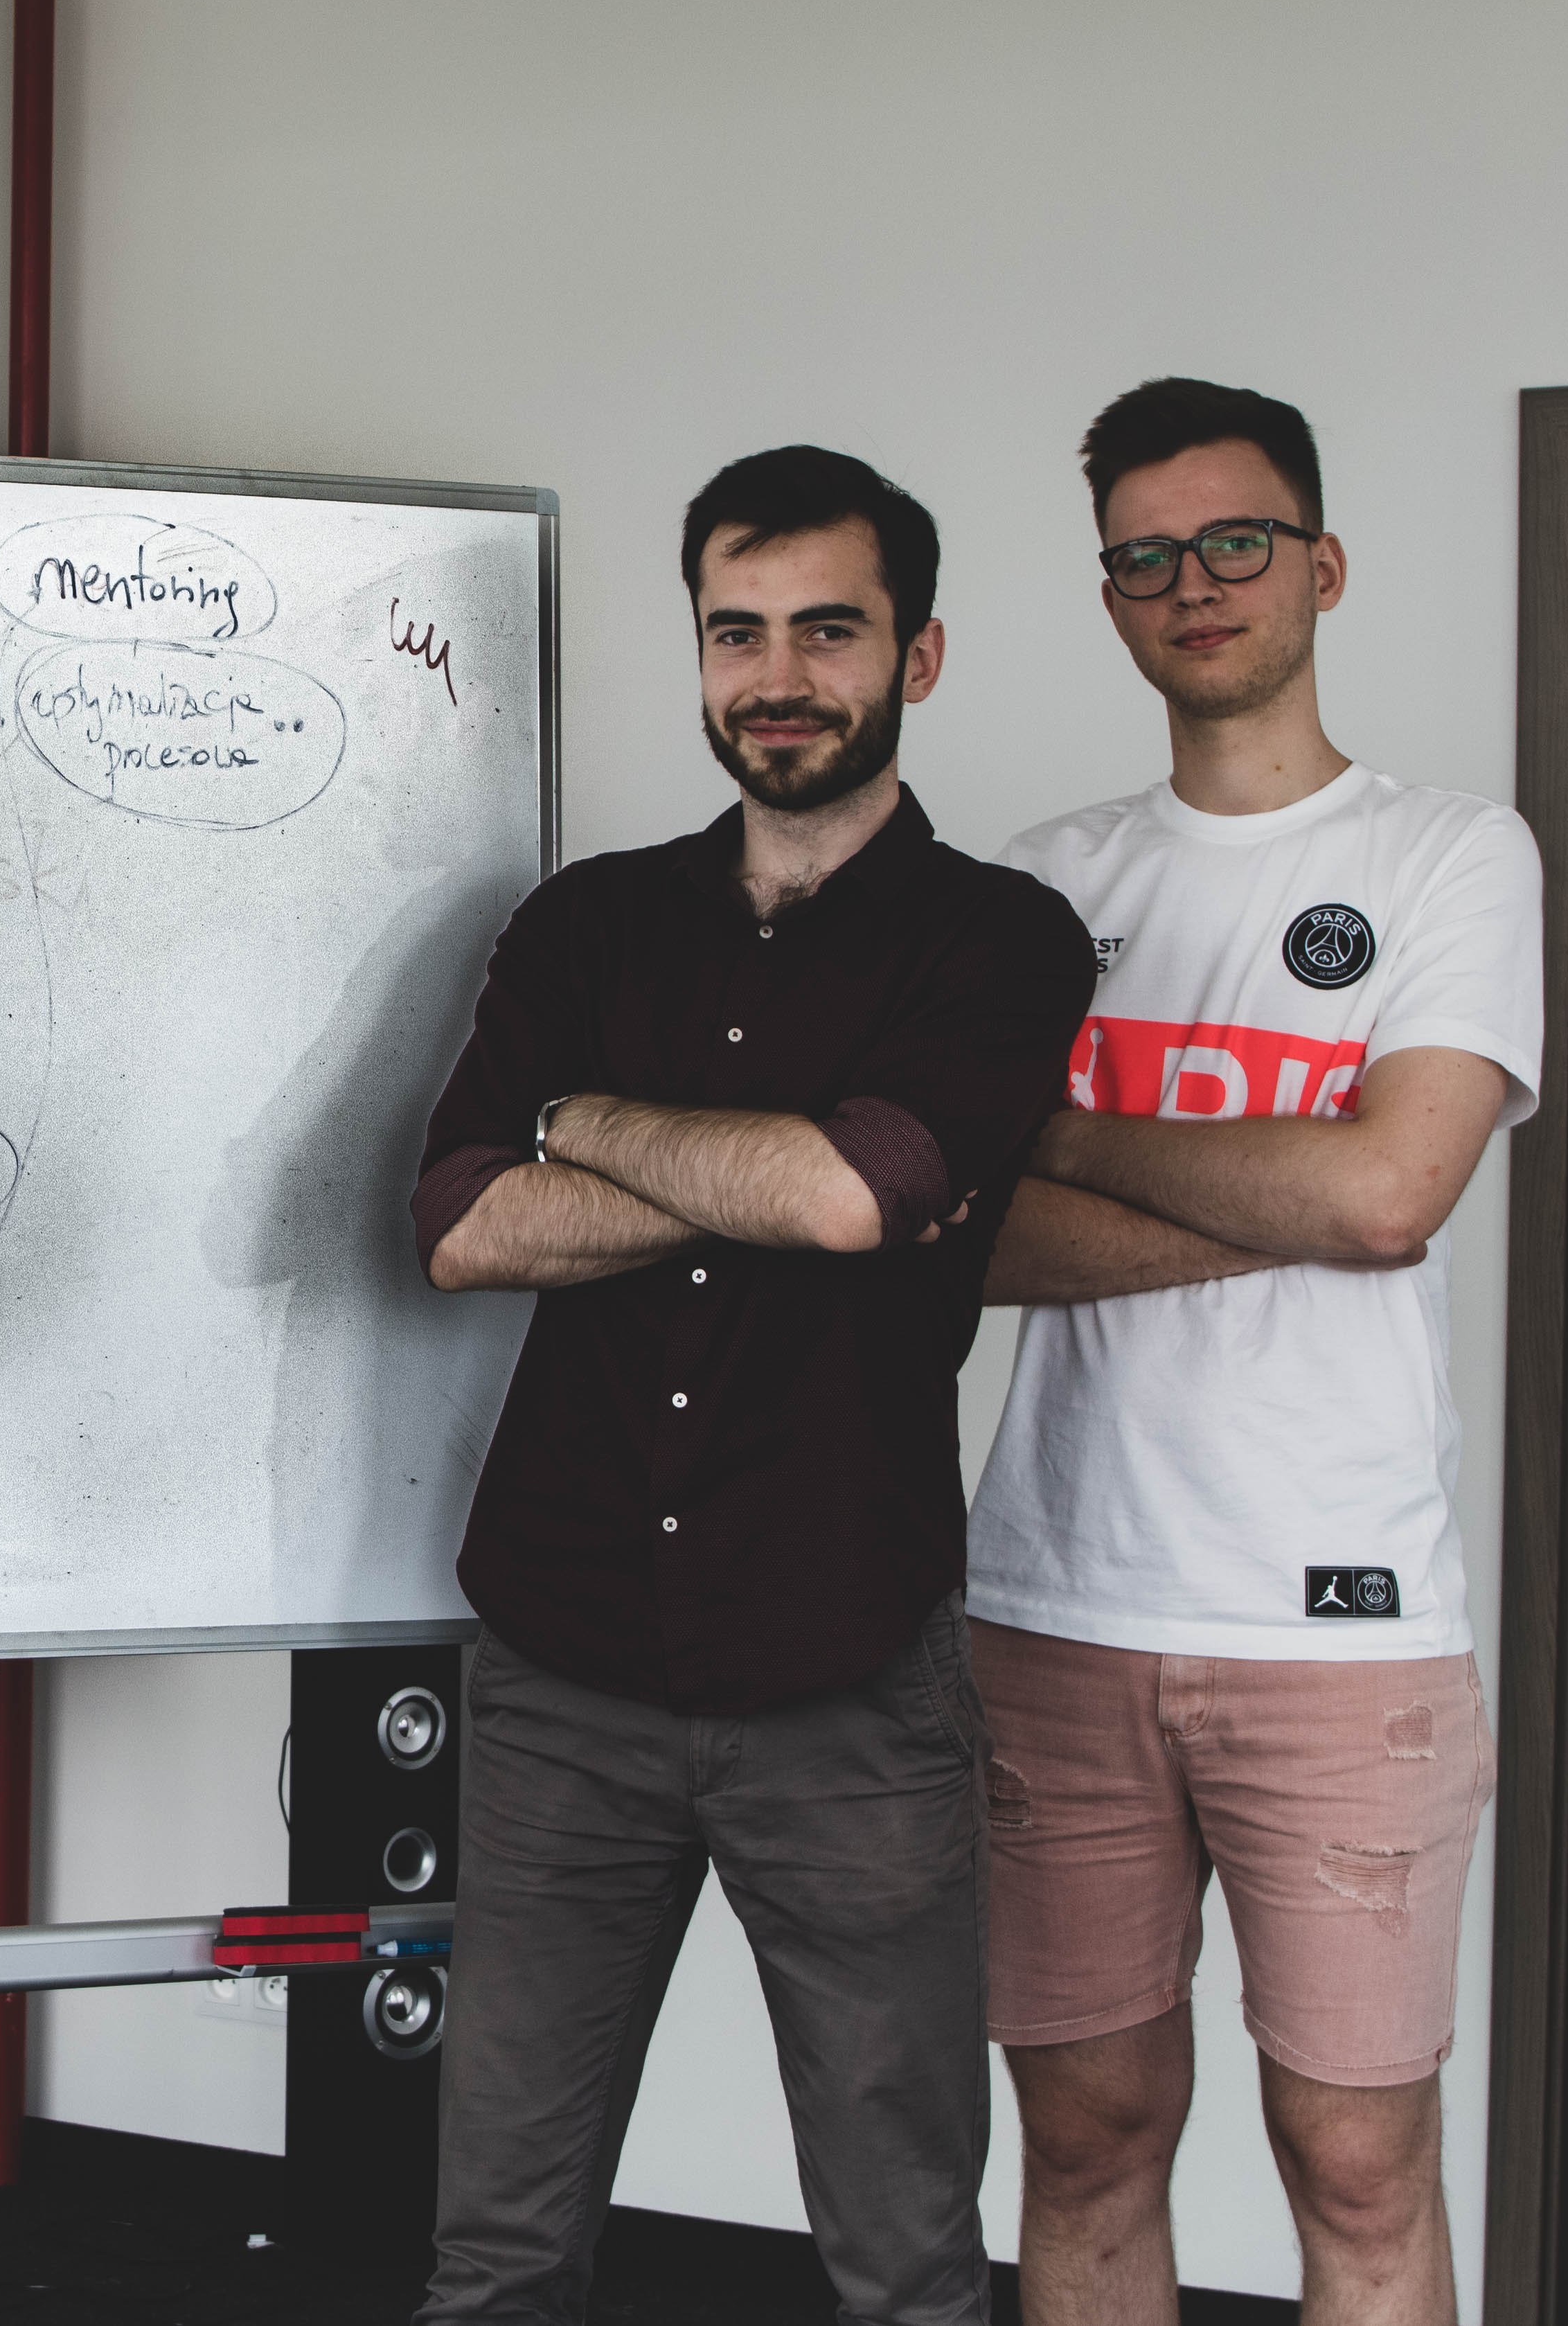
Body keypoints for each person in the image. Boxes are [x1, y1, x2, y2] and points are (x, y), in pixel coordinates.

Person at [406, 446, 1099, 2325]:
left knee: (903, 2254)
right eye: (737, 632)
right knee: (495, 2244)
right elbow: (460, 1225)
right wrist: (766, 1164)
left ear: (917, 656)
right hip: (559, 1665)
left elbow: (854, 1193)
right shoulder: (587, 924)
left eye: (826, 630)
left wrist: (579, 1118)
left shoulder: (999, 937)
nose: (776, 676)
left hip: (845, 1671)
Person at [968, 380, 1535, 2326]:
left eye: (1233, 541)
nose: (1191, 582)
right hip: (1056, 1607)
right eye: (1144, 556)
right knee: (1083, 2141)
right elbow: (966, 1245)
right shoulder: (1040, 884)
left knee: (1358, 2164)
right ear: (1109, 596)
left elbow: (1390, 1195)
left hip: (1344, 1630)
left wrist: (1062, 1133)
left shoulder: (1452, 855)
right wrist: (1284, 1184)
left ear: (1321, 565)